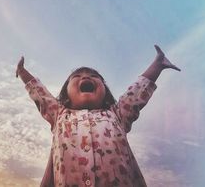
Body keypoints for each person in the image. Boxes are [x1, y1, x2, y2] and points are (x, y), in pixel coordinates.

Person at [16, 45, 180, 187]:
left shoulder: (117, 114)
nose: (86, 77)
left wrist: (157, 65)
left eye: (94, 76)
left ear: (105, 93)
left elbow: (136, 92)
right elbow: (41, 95)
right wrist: (23, 73)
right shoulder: (59, 114)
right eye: (77, 76)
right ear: (66, 94)